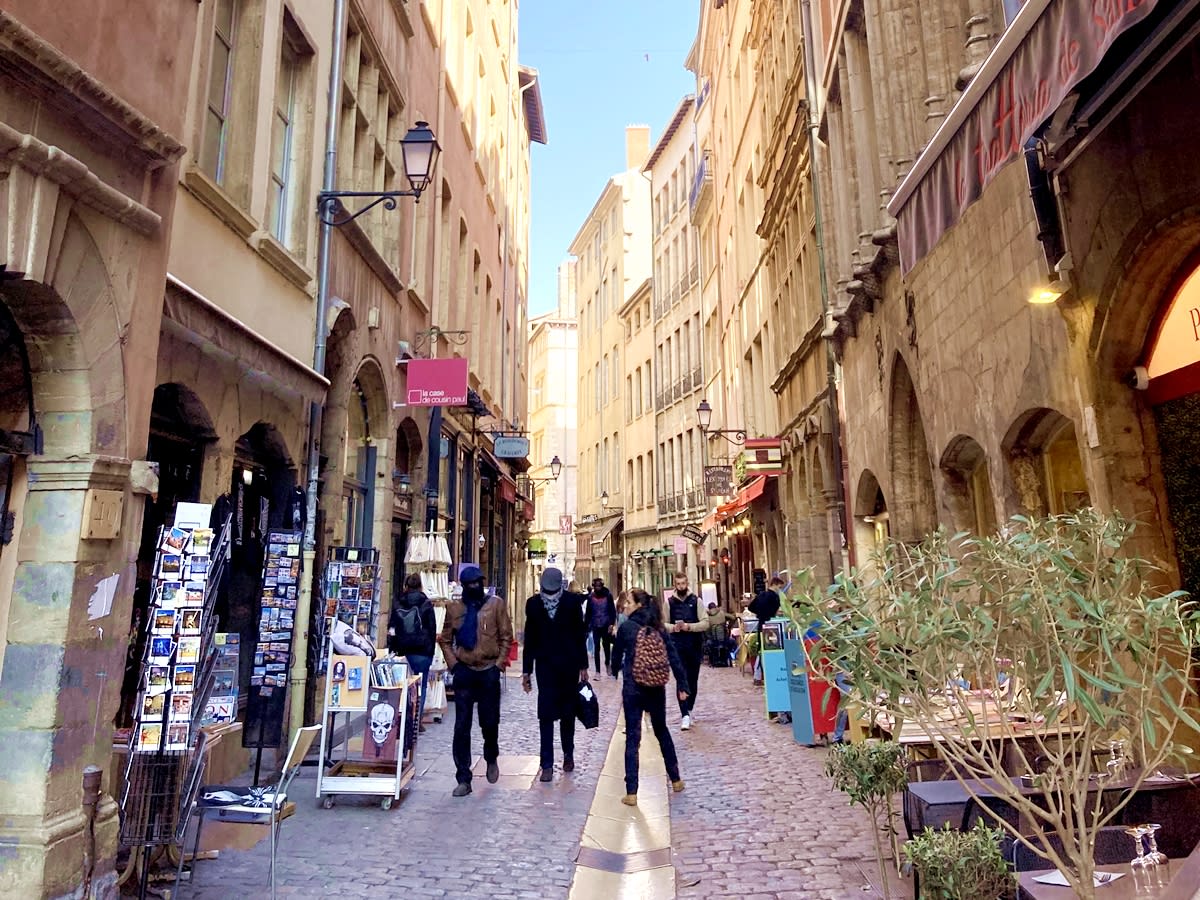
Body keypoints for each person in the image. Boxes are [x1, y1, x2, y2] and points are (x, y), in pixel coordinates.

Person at [437, 565, 513, 797]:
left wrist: (498, 664)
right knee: (462, 726)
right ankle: (463, 777)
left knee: (489, 723)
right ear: (463, 586)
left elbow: (506, 636)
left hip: (488, 669)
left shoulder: (495, 605)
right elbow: (446, 639)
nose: (474, 587)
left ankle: (491, 756)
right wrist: (454, 665)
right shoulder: (454, 608)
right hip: (465, 671)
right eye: (470, 584)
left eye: (477, 583)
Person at [611, 588, 688, 807]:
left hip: (633, 687)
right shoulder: (659, 627)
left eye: (628, 603)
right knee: (661, 730)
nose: (625, 606)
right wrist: (682, 684)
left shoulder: (626, 628)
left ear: (637, 605)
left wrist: (615, 668)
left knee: (633, 738)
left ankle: (632, 792)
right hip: (656, 687)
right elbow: (672, 655)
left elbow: (616, 658)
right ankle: (676, 779)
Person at [522, 567, 589, 781]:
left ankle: (566, 754)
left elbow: (579, 635)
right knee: (547, 714)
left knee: (564, 713)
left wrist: (583, 666)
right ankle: (548, 762)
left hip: (562, 666)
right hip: (549, 667)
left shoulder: (570, 602)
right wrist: (526, 670)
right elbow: (530, 638)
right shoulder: (534, 605)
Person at [386, 573, 437, 732]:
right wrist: (430, 651)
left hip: (402, 651)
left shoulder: (398, 602)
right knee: (420, 687)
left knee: (402, 686)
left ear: (405, 586)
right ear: (421, 586)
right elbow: (432, 629)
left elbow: (392, 629)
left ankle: (401, 719)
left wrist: (392, 648)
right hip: (422, 652)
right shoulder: (427, 604)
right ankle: (416, 722)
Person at [667, 572, 705, 730]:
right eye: (678, 584)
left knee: (693, 680)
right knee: (681, 679)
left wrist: (690, 627)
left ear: (687, 583)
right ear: (675, 585)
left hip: (694, 645)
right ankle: (684, 714)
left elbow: (705, 623)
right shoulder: (669, 603)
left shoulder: (696, 601)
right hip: (677, 646)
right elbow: (663, 624)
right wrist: (673, 628)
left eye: (683, 583)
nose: (681, 586)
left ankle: (689, 708)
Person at [585, 577, 618, 675]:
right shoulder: (591, 597)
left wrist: (612, 623)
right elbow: (588, 612)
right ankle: (597, 671)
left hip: (606, 624)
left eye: (599, 586)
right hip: (595, 625)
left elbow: (612, 610)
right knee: (596, 648)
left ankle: (607, 663)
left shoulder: (608, 596)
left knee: (606, 646)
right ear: (593, 586)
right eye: (596, 586)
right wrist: (586, 625)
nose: (598, 588)